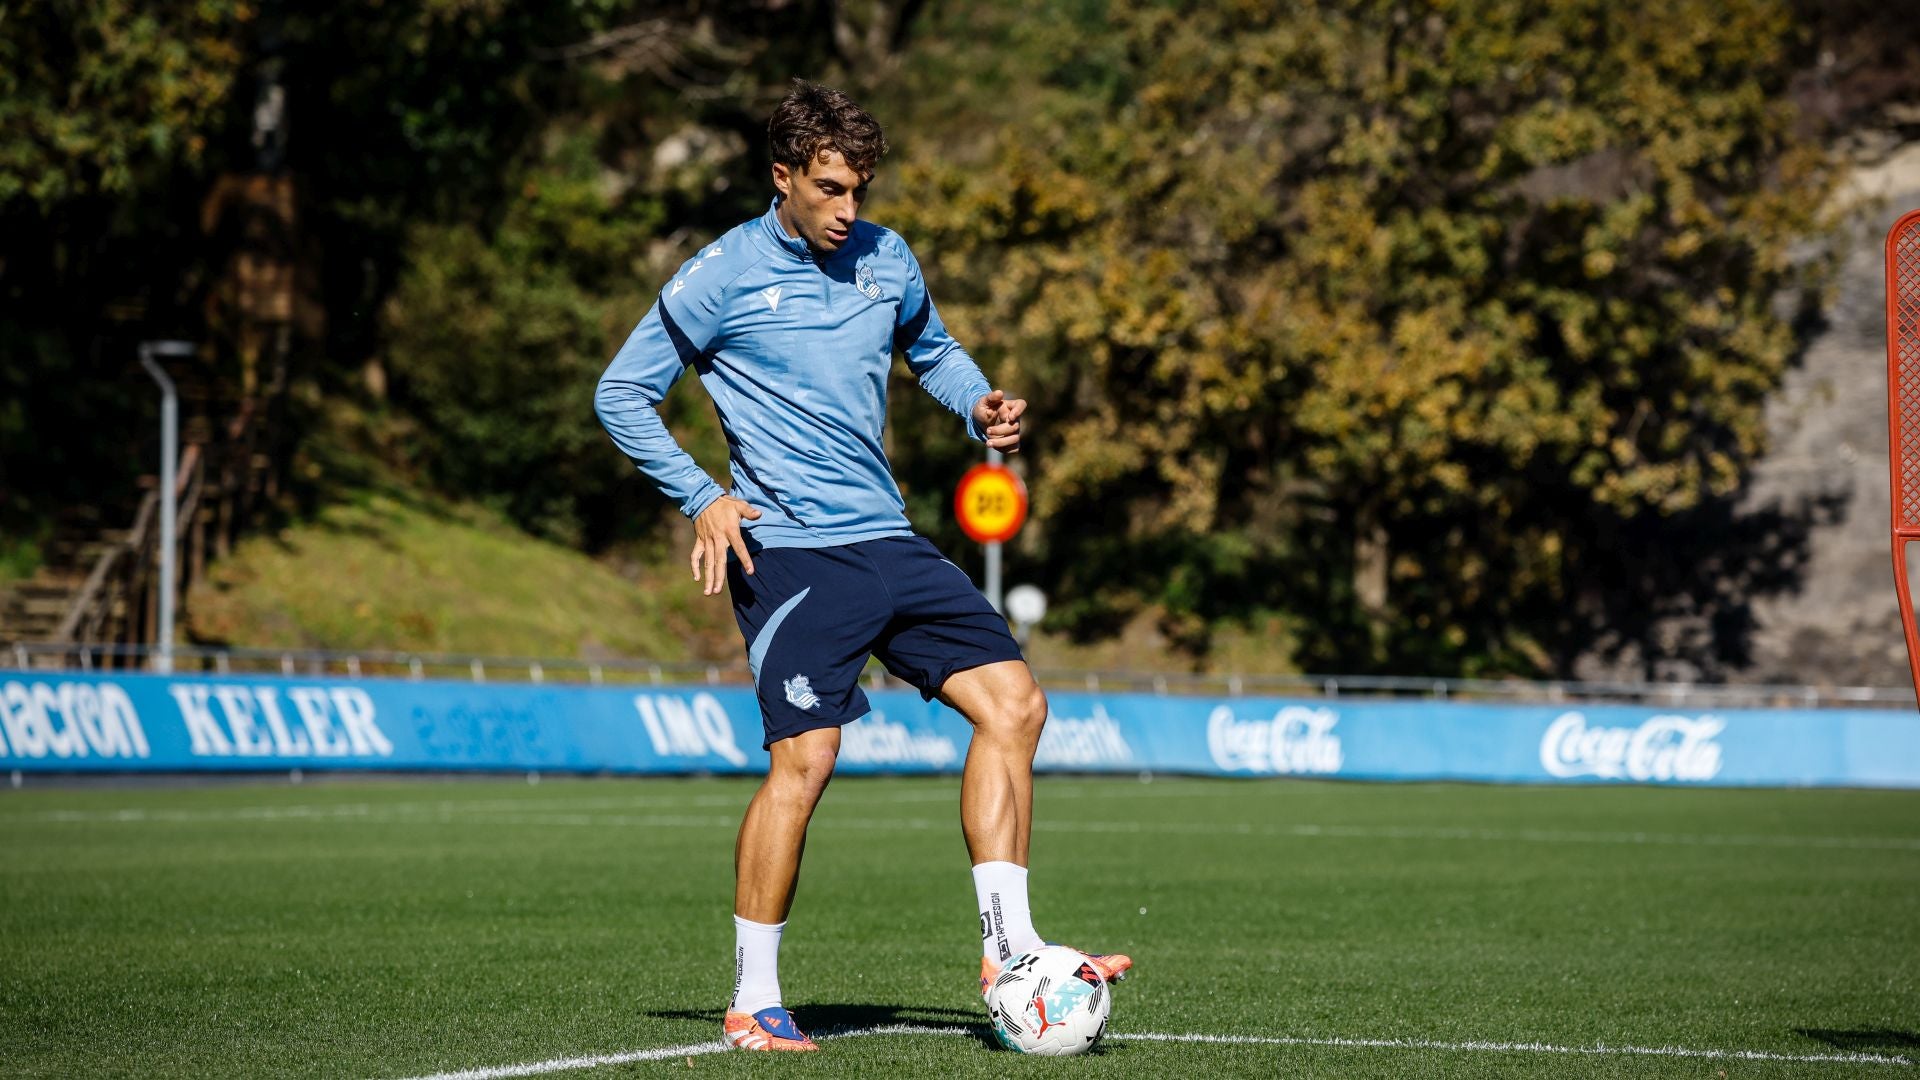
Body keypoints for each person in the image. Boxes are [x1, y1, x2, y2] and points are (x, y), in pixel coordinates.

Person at [594, 80, 1131, 1053]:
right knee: (808, 758)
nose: (851, 211)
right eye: (832, 189)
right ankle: (755, 1000)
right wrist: (703, 494)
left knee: (1016, 704)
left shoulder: (887, 256)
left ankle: (1009, 948)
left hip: (889, 537)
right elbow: (621, 393)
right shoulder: (720, 274)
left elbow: (932, 348)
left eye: (862, 190)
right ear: (784, 177)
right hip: (792, 552)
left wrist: (978, 405)